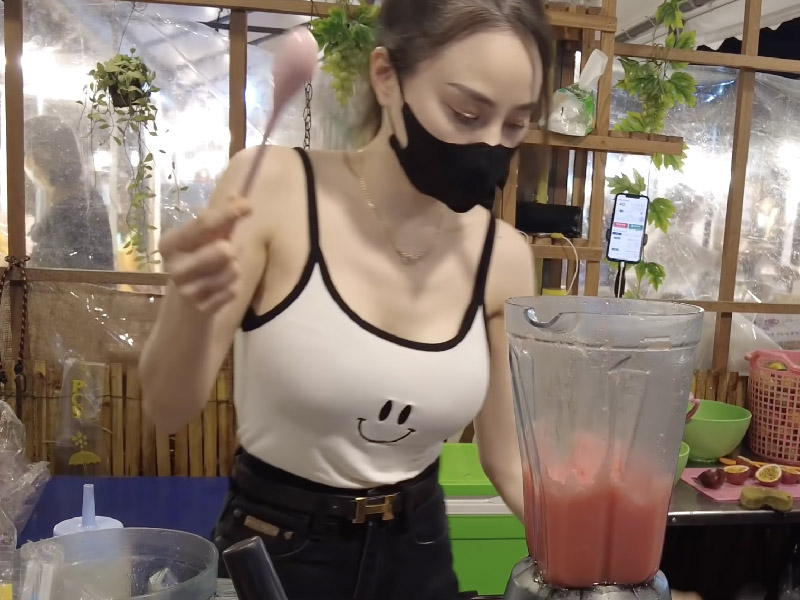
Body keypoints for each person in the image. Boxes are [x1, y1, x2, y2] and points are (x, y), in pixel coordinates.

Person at [139, 2, 700, 599]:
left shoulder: (503, 259)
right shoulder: (273, 190)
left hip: (417, 549)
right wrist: (191, 303)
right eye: (466, 113)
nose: (489, 144)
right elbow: (167, 409)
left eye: (515, 125)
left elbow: (508, 458)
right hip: (276, 548)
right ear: (387, 77)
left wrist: (601, 564)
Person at [24, 115, 114, 270]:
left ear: (37, 158)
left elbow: (63, 276)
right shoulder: (85, 202)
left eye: (27, 154)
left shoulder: (69, 213)